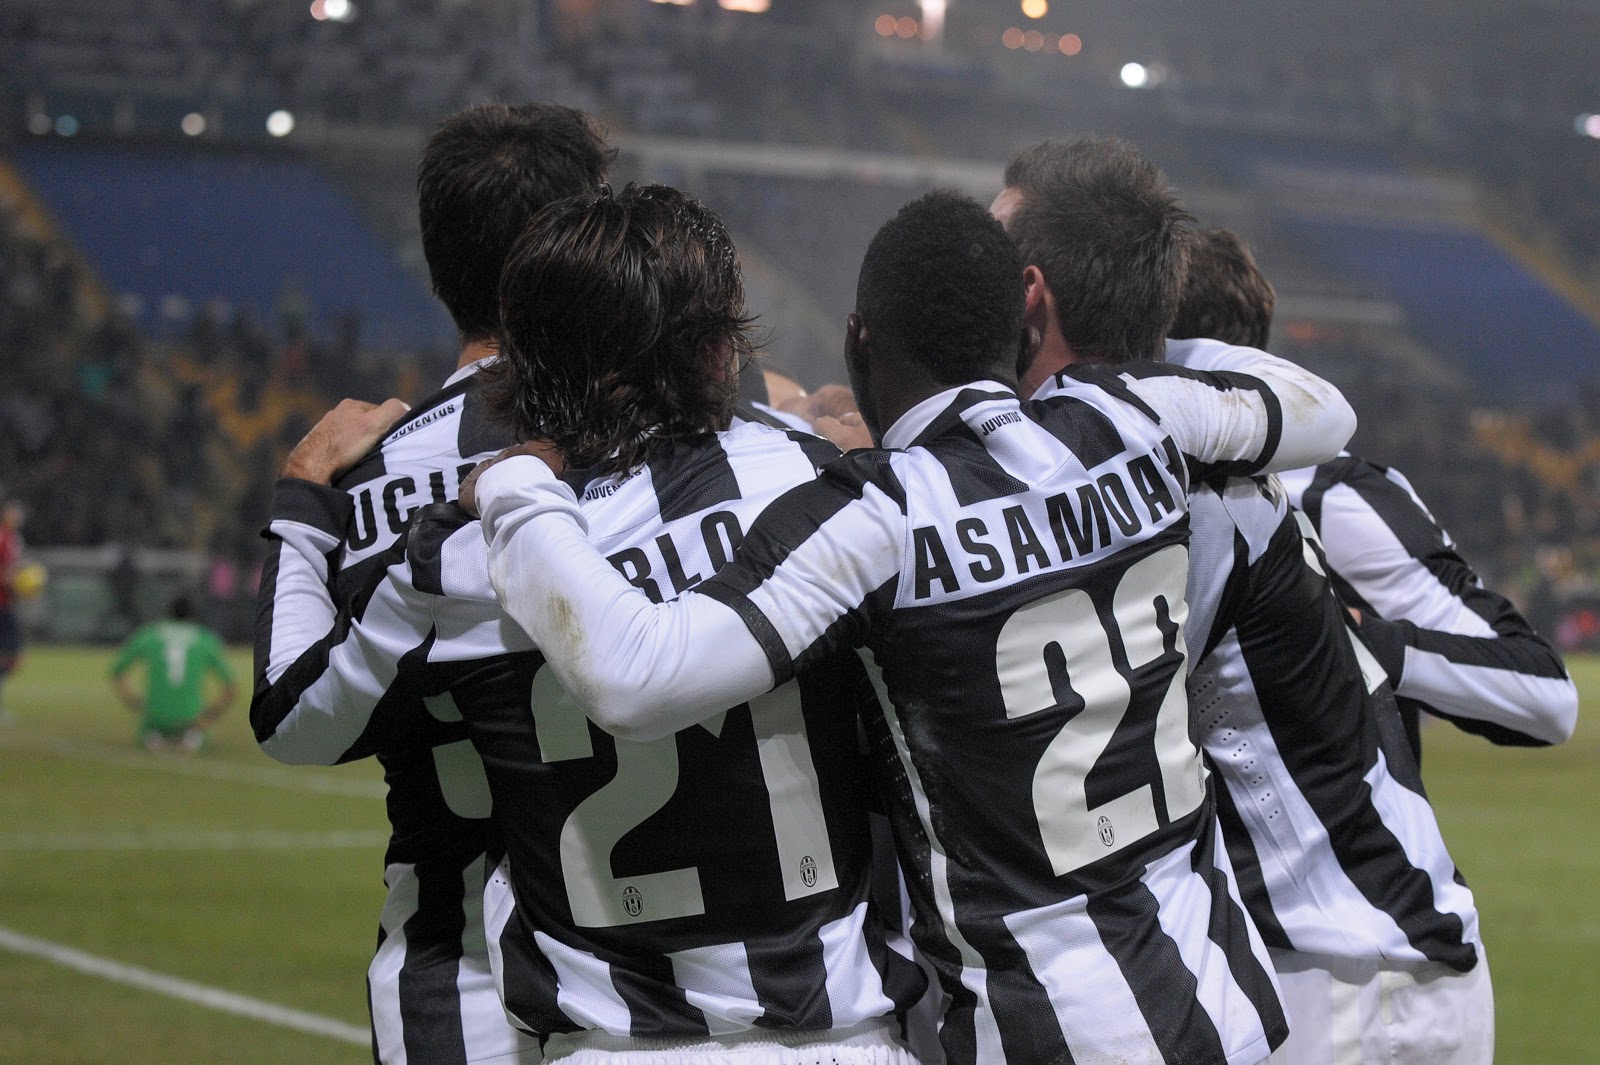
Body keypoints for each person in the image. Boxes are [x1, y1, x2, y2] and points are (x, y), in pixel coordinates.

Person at [465, 190, 1358, 1065]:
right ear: (1023, 331)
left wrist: (515, 489)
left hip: (1047, 1027)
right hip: (1222, 999)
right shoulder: (1131, 417)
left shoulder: (880, 515)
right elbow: (1326, 411)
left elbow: (635, 672)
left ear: (859, 341)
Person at [256, 184, 925, 1063]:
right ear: (718, 351)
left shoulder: (461, 554)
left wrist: (303, 499)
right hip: (839, 1032)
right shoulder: (818, 478)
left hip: (606, 1043)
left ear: (523, 364)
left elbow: (295, 718)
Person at [991, 140, 1498, 1065]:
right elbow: (1314, 404)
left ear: (1031, 294)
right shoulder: (1176, 442)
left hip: (1339, 978)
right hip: (1378, 958)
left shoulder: (1153, 486)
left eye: (992, 247)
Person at [253, 101, 615, 1065]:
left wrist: (302, 491)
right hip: (662, 983)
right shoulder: (657, 454)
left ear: (436, 264)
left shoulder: (365, 477)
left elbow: (292, 711)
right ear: (586, 252)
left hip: (454, 989)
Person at [1168, 226, 1577, 755]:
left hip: (1329, 806)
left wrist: (1350, 634)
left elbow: (1544, 696)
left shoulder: (1324, 493)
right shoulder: (1102, 480)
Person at [111, 594, 235, 752]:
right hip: (192, 719)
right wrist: (208, 717)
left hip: (155, 718)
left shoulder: (149, 634)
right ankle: (191, 738)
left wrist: (136, 704)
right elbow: (231, 687)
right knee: (196, 735)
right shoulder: (204, 639)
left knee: (150, 733)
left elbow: (118, 673)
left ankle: (155, 737)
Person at [0, 500, 26, 722]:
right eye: (13, 513)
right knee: (11, 654)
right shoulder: (2, 538)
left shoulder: (14, 540)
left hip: (6, 604)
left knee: (14, 657)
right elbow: (6, 575)